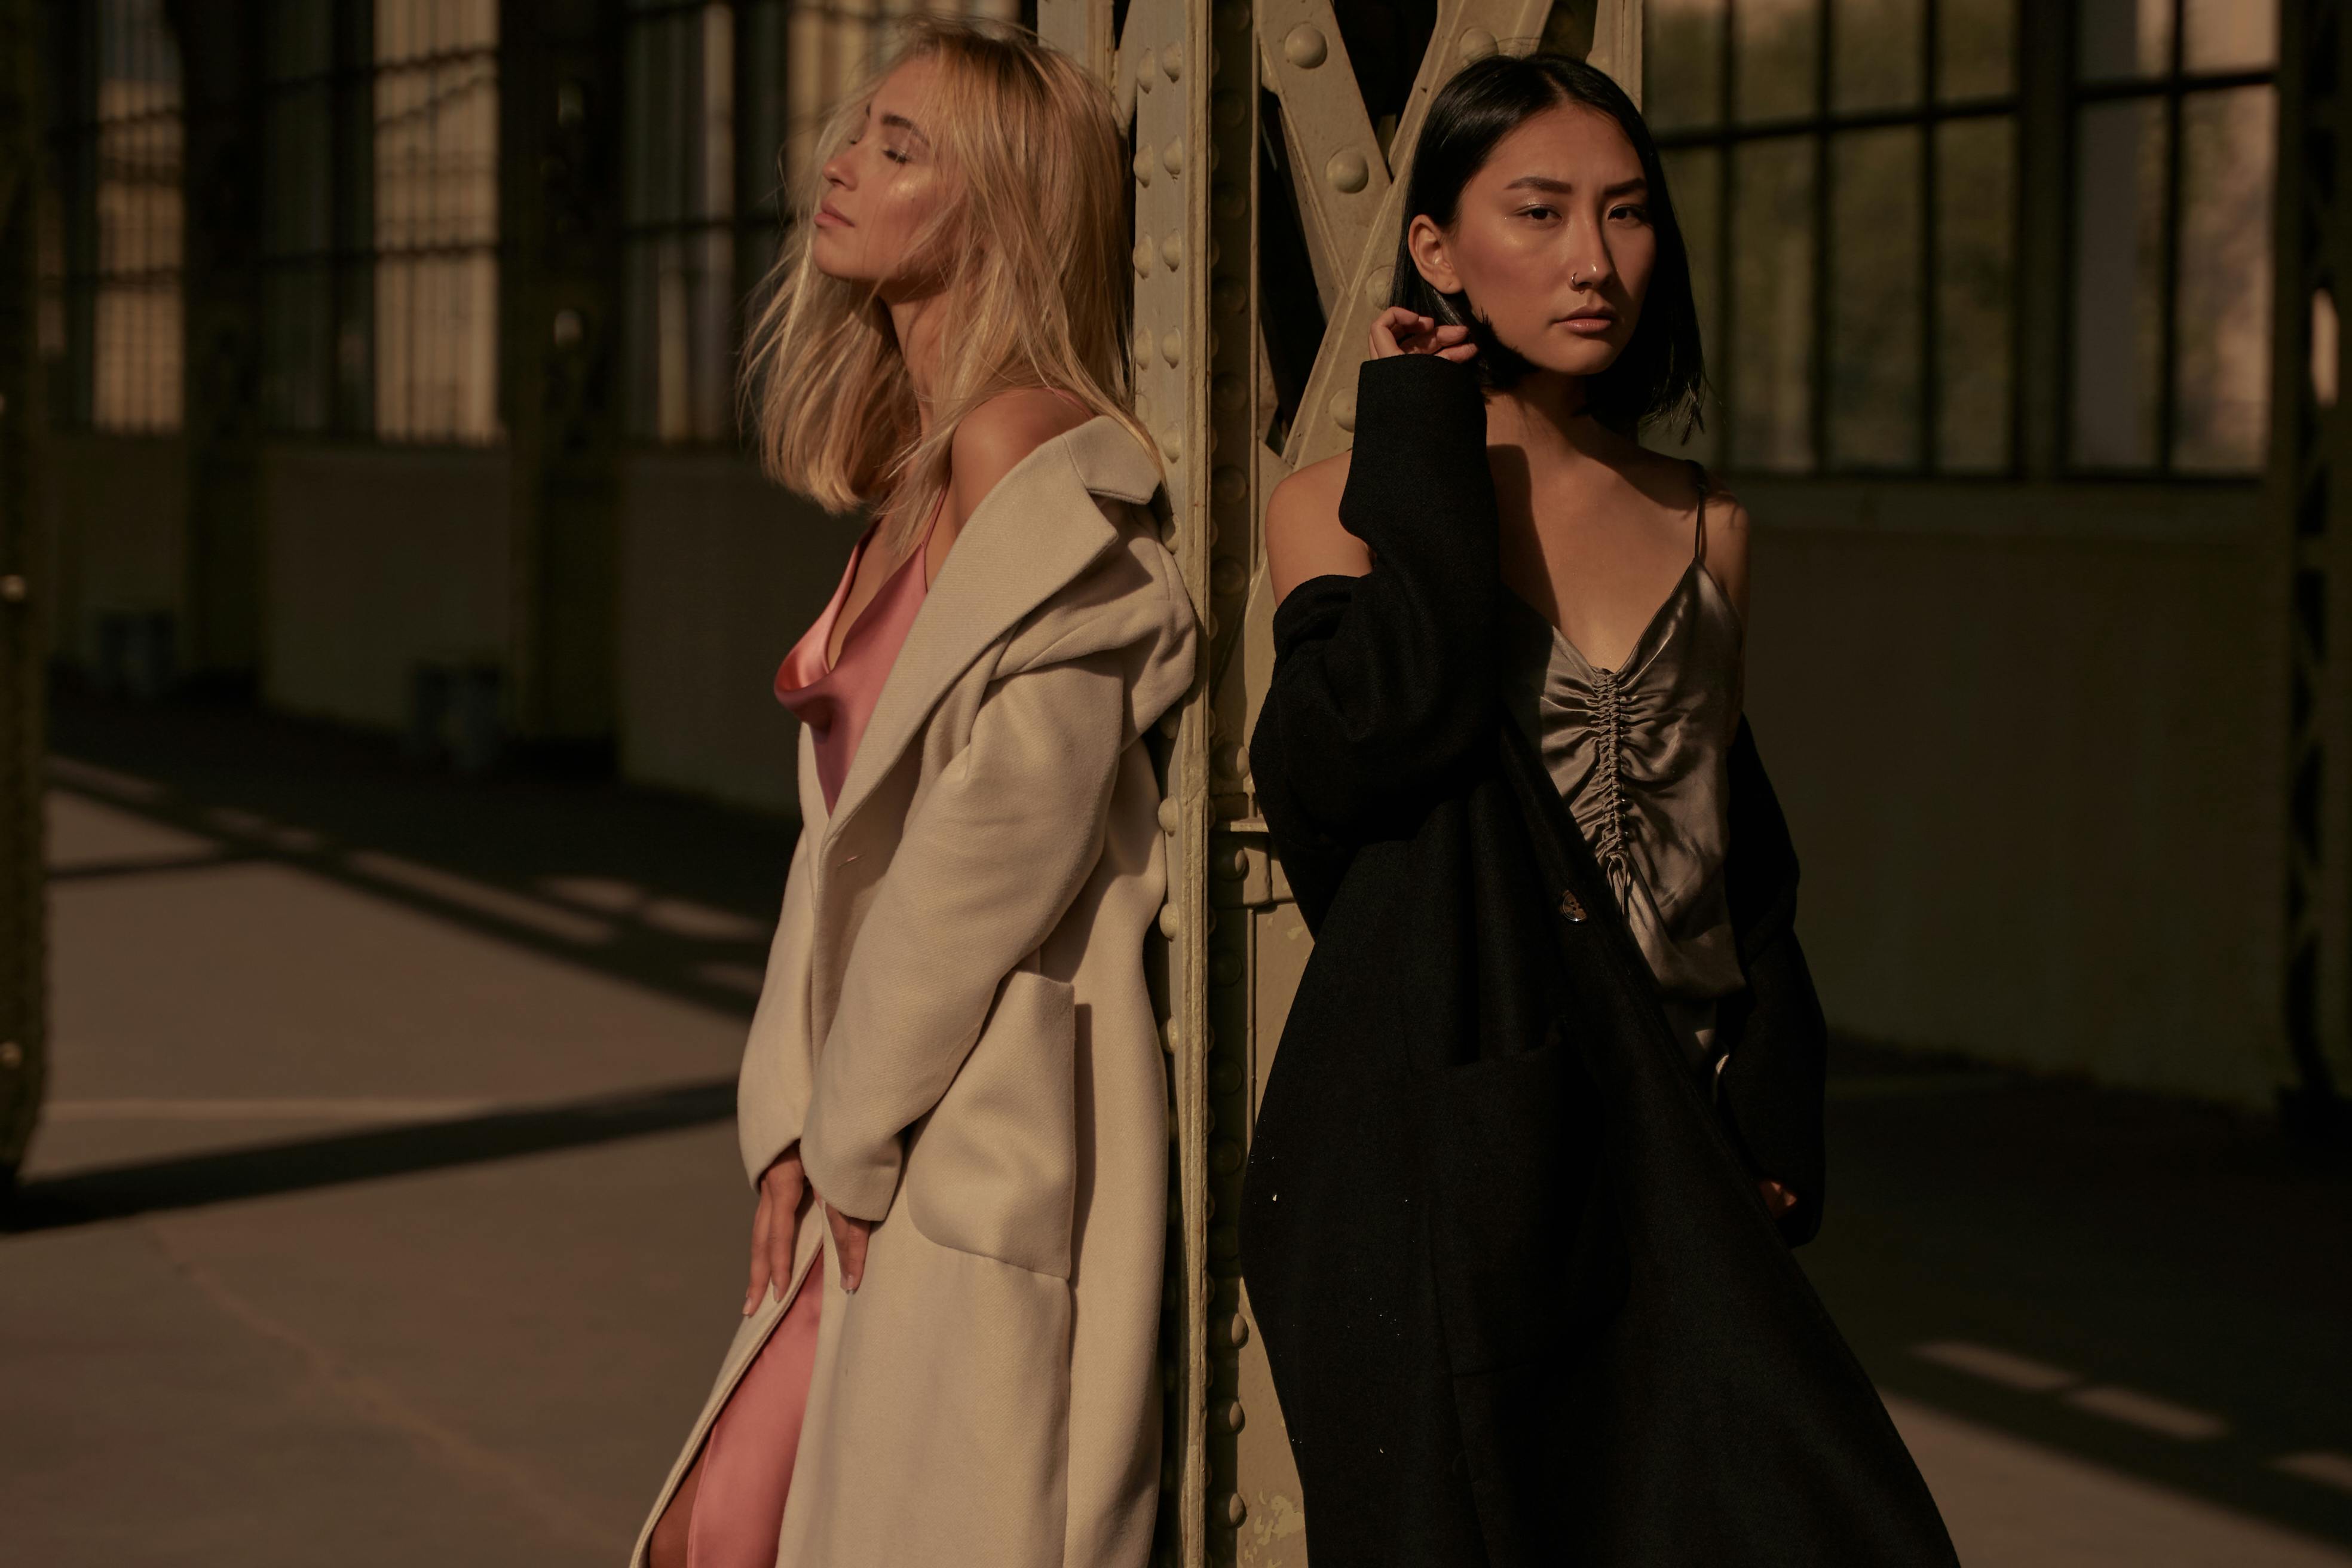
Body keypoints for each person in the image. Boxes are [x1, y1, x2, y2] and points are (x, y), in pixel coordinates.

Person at [1242, 53, 1958, 1566]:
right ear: (1435, 248)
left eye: (1628, 215)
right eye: (1542, 210)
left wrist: (1770, 1083)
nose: (1594, 258)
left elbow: (1732, 843)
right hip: (1457, 1143)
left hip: (1675, 1138)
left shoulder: (1707, 522)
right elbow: (1374, 746)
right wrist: (1423, 437)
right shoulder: (1333, 505)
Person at [632, 20, 1195, 1568]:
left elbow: (995, 844)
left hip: (962, 1125)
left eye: (900, 147)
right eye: (855, 130)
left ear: (1004, 205)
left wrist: (847, 1132)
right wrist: (788, 1125)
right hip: (874, 1118)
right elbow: (839, 853)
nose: (841, 164)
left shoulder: (1034, 458)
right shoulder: (924, 470)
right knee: (733, 1535)